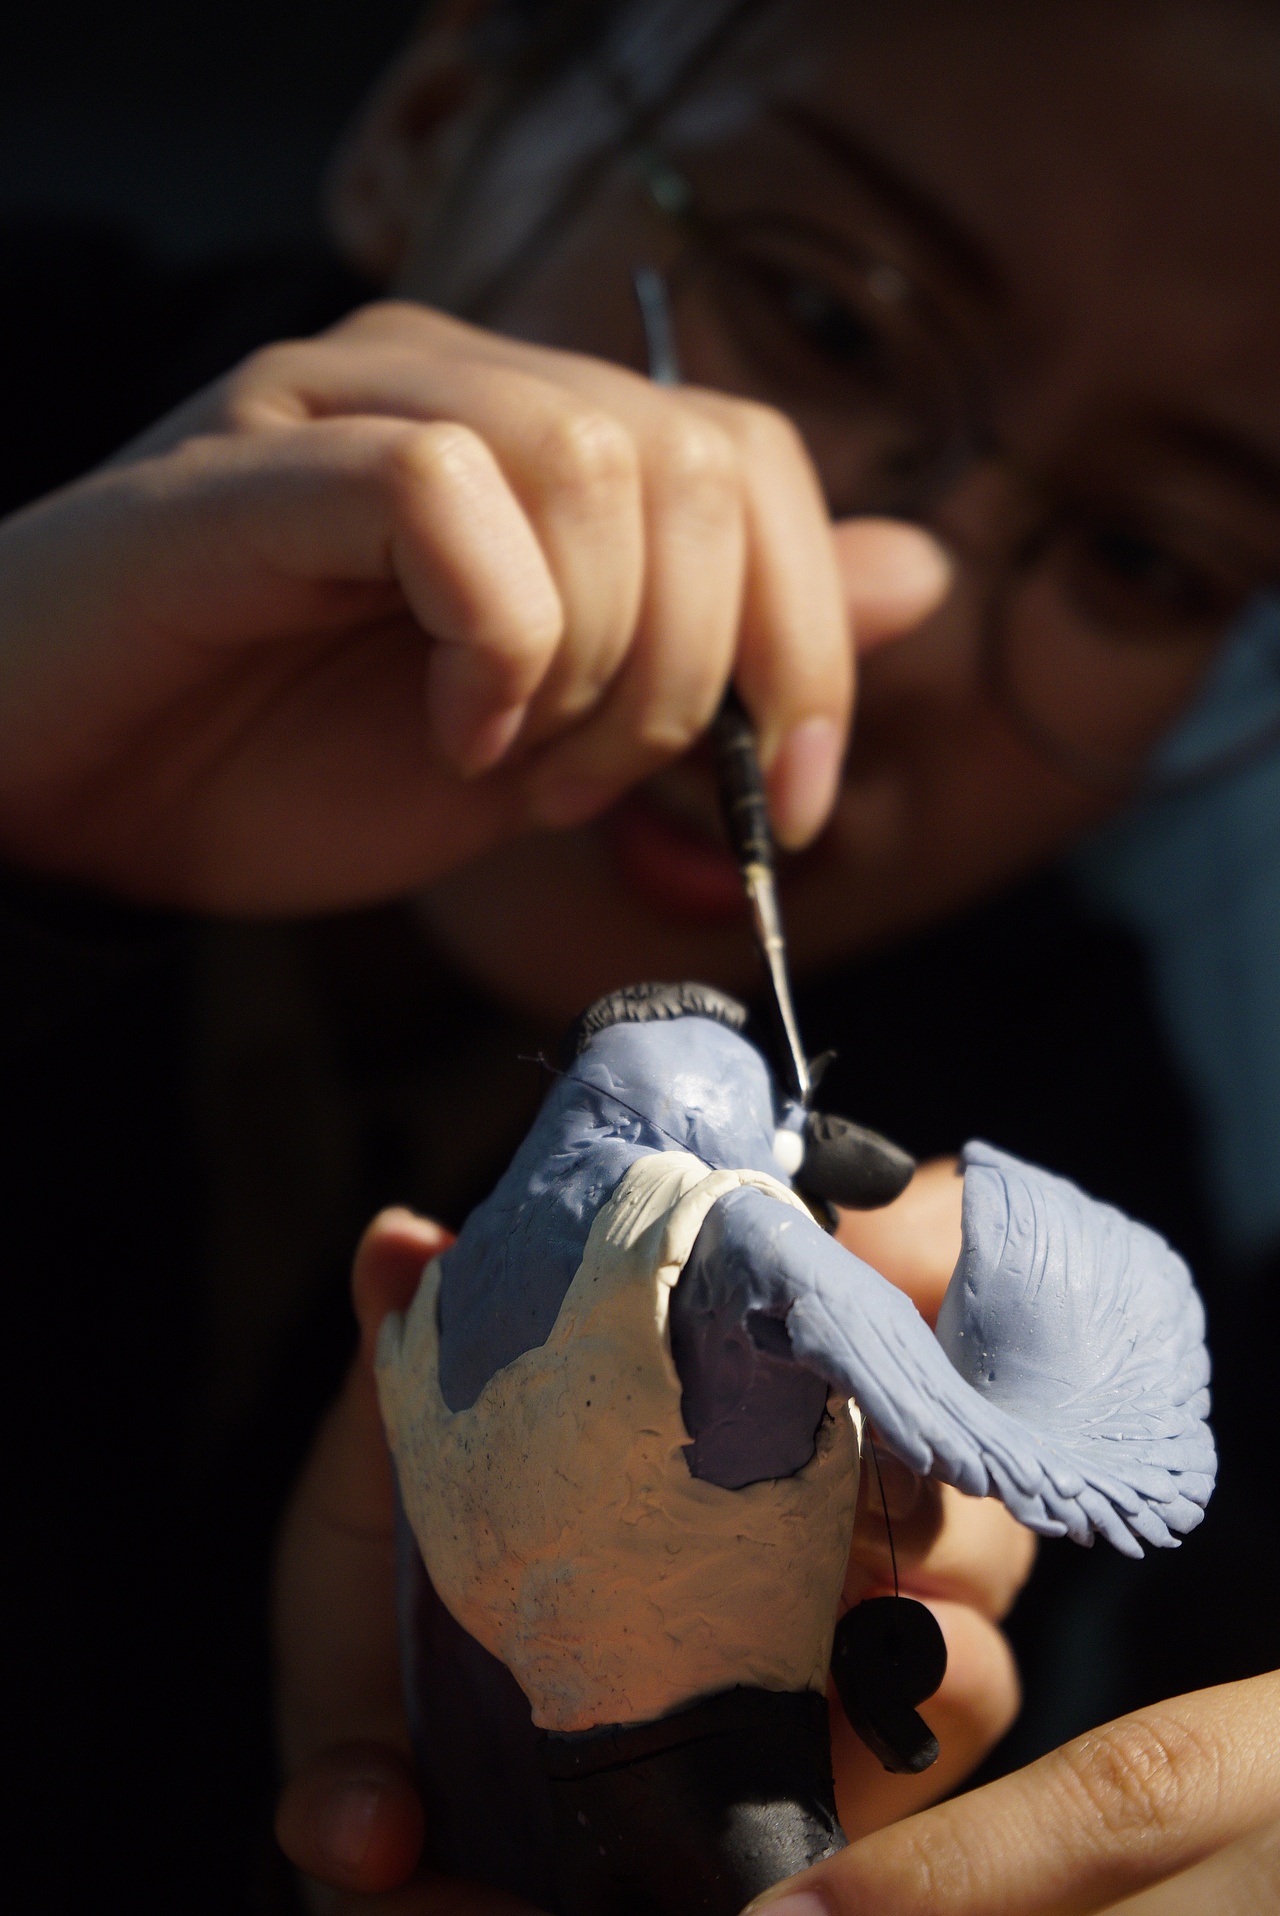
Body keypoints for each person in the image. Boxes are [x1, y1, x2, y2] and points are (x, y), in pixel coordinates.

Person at [3, 0, 1280, 1909]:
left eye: (1146, 558)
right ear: (432, 118)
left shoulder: (1059, 1119)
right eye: (828, 311)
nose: (901, 617)